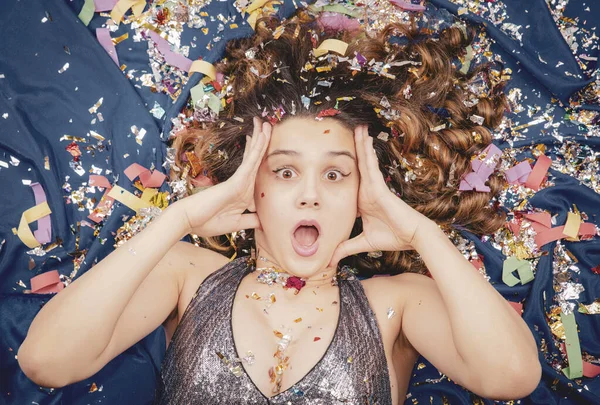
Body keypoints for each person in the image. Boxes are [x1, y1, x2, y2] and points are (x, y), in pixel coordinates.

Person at [17, 6, 542, 404]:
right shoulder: (188, 274)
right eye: (285, 171)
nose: (310, 193)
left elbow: (512, 376)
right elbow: (47, 361)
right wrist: (178, 218)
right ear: (252, 187)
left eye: (335, 174)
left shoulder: (396, 303)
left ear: (364, 195)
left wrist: (422, 235)